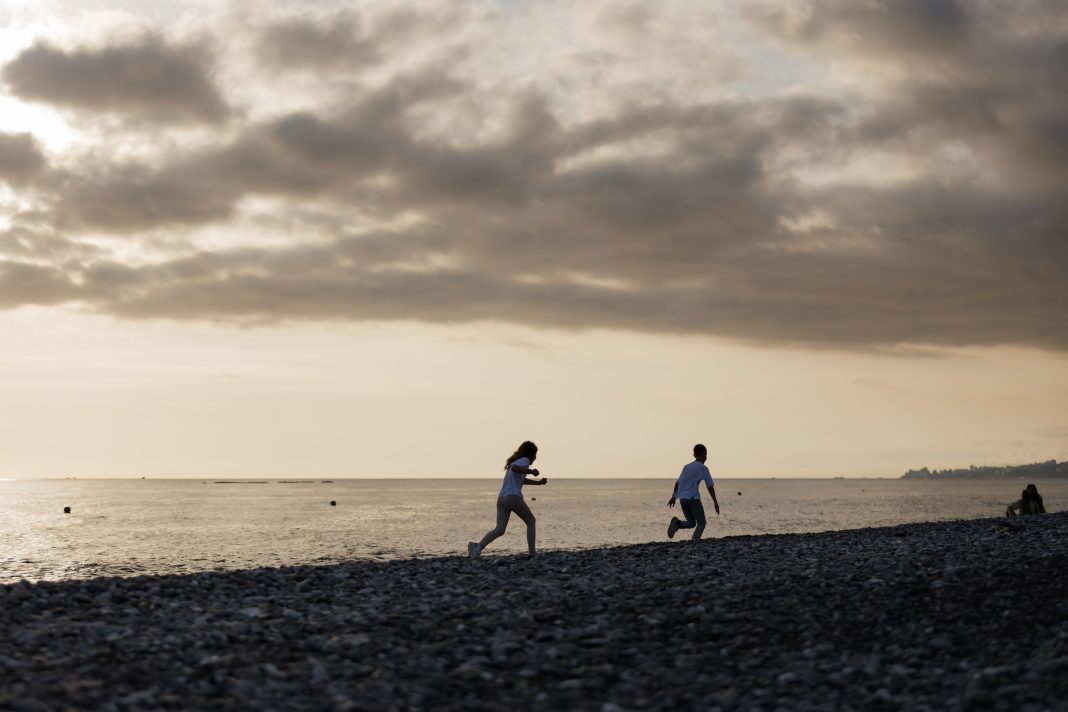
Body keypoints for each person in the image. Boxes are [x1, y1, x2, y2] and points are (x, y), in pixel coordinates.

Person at [468, 441, 547, 558]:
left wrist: (538, 482)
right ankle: (532, 552)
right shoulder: (524, 461)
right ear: (531, 454)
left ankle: (478, 547)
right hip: (513, 497)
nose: (535, 457)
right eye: (535, 454)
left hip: (501, 499)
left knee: (500, 529)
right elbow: (515, 469)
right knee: (531, 521)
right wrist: (530, 471)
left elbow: (521, 479)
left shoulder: (515, 462)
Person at [667, 443, 720, 540]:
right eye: (706, 455)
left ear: (694, 455)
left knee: (691, 523)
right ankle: (694, 541)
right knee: (702, 522)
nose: (706, 457)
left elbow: (677, 483)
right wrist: (715, 502)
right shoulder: (703, 468)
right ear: (704, 454)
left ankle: (677, 523)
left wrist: (673, 497)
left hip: (683, 499)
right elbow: (710, 486)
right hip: (693, 499)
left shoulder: (686, 467)